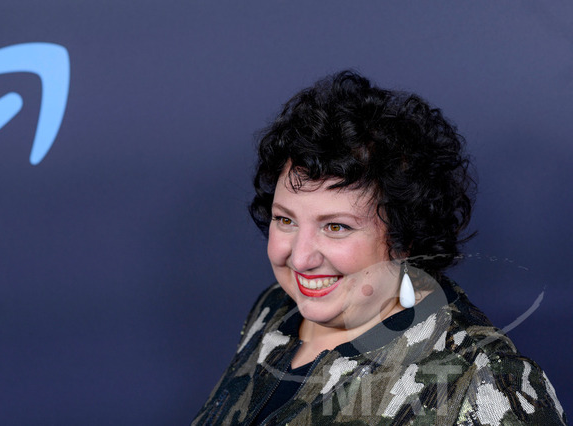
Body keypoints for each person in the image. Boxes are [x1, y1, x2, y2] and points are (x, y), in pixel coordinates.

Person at [192, 71, 566, 425]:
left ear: (405, 237)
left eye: (336, 227)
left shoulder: (482, 381)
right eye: (285, 220)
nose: (301, 257)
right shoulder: (274, 310)